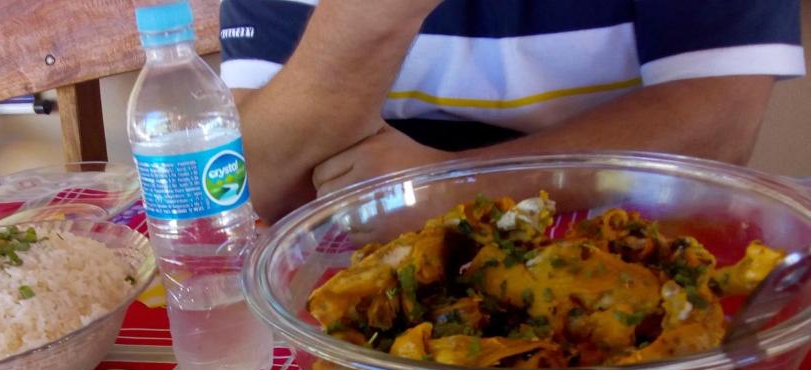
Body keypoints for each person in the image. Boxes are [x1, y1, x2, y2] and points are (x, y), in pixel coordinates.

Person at [218, 0, 806, 222]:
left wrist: (454, 188)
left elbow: (719, 125)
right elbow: (254, 182)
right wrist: (370, 17)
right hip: (357, 279)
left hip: (628, 244)